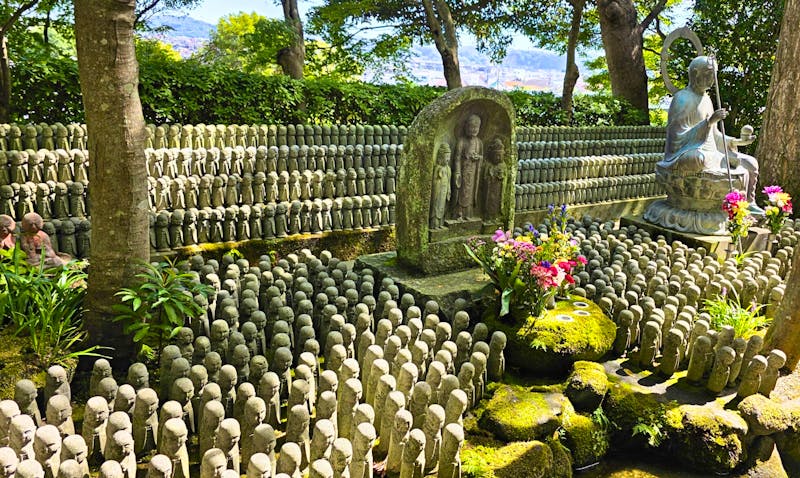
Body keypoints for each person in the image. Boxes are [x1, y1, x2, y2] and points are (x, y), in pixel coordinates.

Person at [660, 55, 760, 207]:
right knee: (700, 159)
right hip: (686, 153)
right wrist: (709, 122)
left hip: (712, 152)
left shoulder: (707, 100)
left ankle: (748, 205)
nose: (713, 79)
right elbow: (677, 138)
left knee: (750, 163)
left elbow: (714, 136)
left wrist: (736, 141)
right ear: (695, 74)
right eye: (709, 74)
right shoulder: (682, 98)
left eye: (714, 75)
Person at [453, 114, 483, 219]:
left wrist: (478, 158)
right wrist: (457, 172)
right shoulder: (461, 141)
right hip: (463, 170)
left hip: (474, 172)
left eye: (476, 127)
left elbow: (481, 156)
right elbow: (456, 158)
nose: (474, 129)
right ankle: (459, 213)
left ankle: (469, 213)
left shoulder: (479, 142)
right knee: (462, 191)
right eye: (471, 127)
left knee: (470, 192)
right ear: (466, 127)